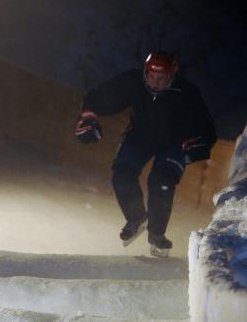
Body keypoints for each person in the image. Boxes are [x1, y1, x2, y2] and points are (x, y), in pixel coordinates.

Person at [75, 50, 217, 256]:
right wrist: (88, 118)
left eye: (161, 78)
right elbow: (99, 97)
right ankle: (136, 218)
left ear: (172, 75)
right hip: (140, 137)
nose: (155, 82)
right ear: (144, 72)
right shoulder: (133, 81)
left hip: (174, 142)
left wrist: (198, 144)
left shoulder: (186, 93)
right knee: (122, 175)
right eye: (150, 76)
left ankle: (157, 235)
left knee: (161, 181)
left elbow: (206, 130)